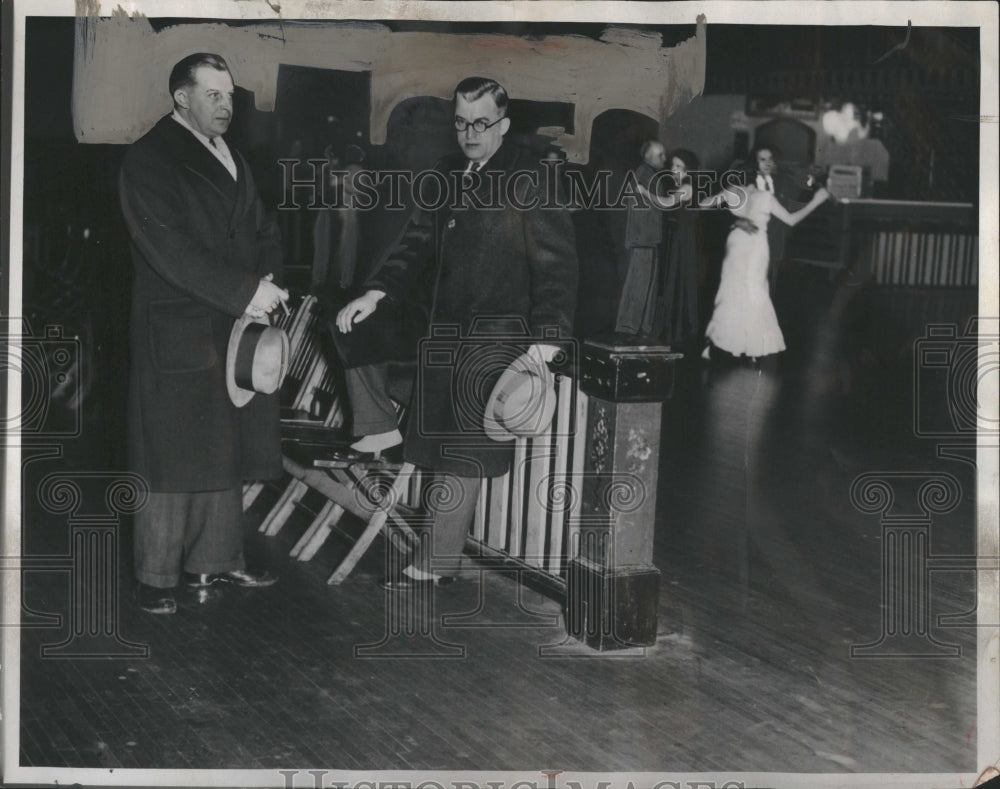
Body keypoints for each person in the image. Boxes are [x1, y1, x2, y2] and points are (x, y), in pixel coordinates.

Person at [334, 76, 577, 590]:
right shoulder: (446, 172)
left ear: (503, 125)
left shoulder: (530, 178)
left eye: (481, 123)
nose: (470, 133)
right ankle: (377, 425)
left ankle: (435, 563)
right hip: (440, 329)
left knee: (458, 451)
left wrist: (545, 345)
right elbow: (414, 243)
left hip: (496, 334)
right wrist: (375, 293)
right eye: (462, 122)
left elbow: (557, 267)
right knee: (349, 323)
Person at [119, 53, 289, 614]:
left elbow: (264, 226)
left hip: (231, 323)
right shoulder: (149, 158)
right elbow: (169, 250)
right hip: (181, 324)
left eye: (230, 95)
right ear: (181, 99)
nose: (225, 105)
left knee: (224, 447)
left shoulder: (232, 155)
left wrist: (265, 275)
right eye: (212, 94)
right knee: (171, 456)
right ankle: (156, 577)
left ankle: (214, 562)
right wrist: (246, 291)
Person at [698, 180, 830, 360]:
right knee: (739, 291)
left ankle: (743, 344)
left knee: (741, 291)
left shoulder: (748, 193)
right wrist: (816, 201)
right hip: (746, 244)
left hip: (747, 245)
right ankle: (742, 345)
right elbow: (791, 220)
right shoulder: (750, 193)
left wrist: (733, 219)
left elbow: (703, 204)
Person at [639, 148, 700, 350]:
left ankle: (676, 331)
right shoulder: (680, 185)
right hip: (677, 238)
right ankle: (671, 329)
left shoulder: (687, 187)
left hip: (684, 240)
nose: (674, 169)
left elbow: (665, 203)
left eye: (679, 167)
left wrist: (644, 192)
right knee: (672, 281)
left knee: (678, 280)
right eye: (673, 165)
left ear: (688, 171)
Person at [614, 140, 667, 337]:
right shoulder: (644, 175)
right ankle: (628, 328)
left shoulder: (649, 174)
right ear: (648, 157)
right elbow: (644, 208)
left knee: (646, 286)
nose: (664, 158)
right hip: (644, 239)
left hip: (647, 239)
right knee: (639, 285)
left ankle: (639, 329)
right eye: (660, 155)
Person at [745, 143, 805, 294]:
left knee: (770, 282)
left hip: (775, 236)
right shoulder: (748, 184)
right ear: (755, 162)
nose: (767, 163)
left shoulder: (781, 182)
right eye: (762, 159)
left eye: (770, 159)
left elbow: (790, 207)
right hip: (753, 238)